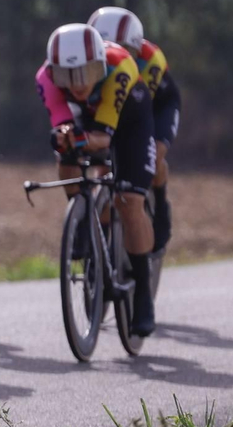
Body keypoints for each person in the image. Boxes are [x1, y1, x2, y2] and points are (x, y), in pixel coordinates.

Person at [37, 22, 158, 337]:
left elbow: (103, 139)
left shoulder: (120, 66)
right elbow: (63, 125)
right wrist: (65, 137)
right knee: (65, 155)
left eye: (86, 72)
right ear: (54, 72)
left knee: (130, 201)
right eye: (67, 75)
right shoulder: (46, 78)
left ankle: (143, 294)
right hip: (88, 115)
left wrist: (79, 138)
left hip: (130, 117)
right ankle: (82, 223)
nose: (77, 84)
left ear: (100, 65)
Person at [88, 6, 180, 254]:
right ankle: (103, 245)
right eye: (105, 47)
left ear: (136, 50)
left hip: (156, 107)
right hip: (118, 105)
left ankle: (161, 206)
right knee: (103, 168)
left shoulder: (151, 60)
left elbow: (139, 115)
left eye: (123, 49)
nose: (114, 54)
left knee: (154, 152)